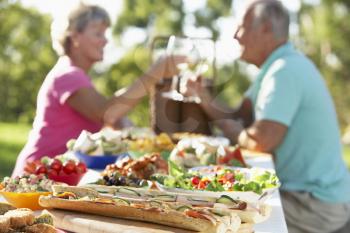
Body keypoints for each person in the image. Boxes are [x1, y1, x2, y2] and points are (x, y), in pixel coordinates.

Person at [185, 0, 350, 232]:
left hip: (315, 203)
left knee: (219, 214)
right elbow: (237, 117)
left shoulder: (284, 71)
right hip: (308, 195)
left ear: (264, 29)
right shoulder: (275, 69)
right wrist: (203, 97)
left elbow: (258, 140)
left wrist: (234, 131)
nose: (234, 36)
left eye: (241, 27)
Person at [12, 4, 184, 177]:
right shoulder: (67, 75)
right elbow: (107, 112)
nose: (105, 40)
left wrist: (121, 122)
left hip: (57, 174)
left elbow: (106, 117)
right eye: (98, 34)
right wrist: (155, 73)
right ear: (74, 37)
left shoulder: (76, 75)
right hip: (36, 176)